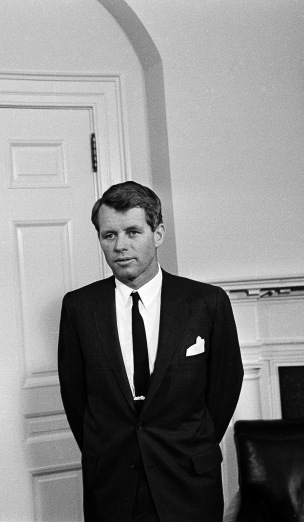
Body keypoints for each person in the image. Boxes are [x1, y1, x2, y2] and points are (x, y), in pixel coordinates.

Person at [57, 181, 243, 522]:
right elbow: (75, 396)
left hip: (188, 478)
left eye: (132, 232)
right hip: (111, 482)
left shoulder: (206, 302)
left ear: (157, 234)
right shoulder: (79, 308)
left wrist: (189, 443)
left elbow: (225, 385)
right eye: (109, 235)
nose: (120, 246)